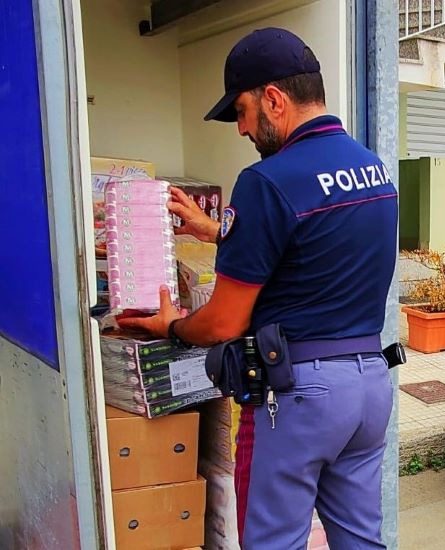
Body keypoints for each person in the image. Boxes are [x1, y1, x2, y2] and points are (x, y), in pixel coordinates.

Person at [120, 27, 398, 549]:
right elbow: (316, 248)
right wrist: (213, 232)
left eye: (242, 111)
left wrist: (173, 326)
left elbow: (224, 322)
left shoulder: (268, 180)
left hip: (300, 399)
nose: (241, 128)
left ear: (274, 98)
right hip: (369, 387)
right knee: (362, 542)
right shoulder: (372, 169)